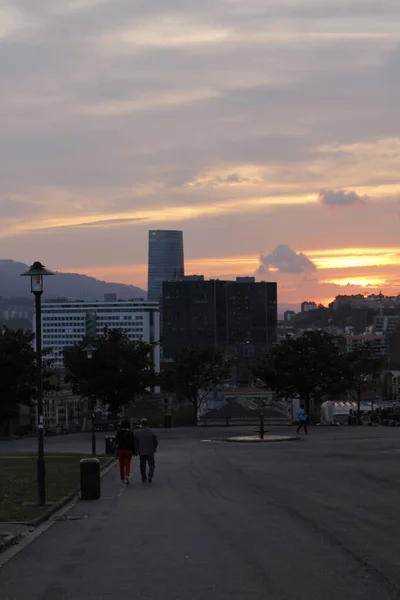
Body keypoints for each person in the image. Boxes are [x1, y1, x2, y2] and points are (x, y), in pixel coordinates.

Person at [135, 418, 158, 484]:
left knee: (142, 466)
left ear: (141, 424)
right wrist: (154, 447)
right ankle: (150, 475)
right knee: (152, 464)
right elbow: (155, 441)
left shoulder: (138, 433)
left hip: (142, 451)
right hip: (150, 451)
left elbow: (136, 443)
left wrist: (136, 450)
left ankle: (144, 478)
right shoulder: (151, 432)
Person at [115, 419, 136, 484]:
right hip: (128, 451)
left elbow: (116, 442)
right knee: (127, 464)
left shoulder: (119, 432)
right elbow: (133, 443)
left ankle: (122, 478)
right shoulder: (131, 433)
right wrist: (134, 451)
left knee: (121, 465)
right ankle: (127, 476)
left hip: (121, 451)